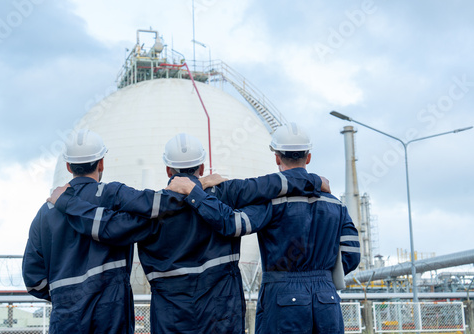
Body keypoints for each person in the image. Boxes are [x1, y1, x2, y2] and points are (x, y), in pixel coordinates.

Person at [48, 132, 328, 333]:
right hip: (223, 307)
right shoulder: (227, 194)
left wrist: (65, 202)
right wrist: (313, 179)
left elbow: (108, 227)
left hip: (171, 311)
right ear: (203, 167)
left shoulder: (150, 211)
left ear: (168, 168)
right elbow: (268, 185)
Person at [167, 122, 361, 333]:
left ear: (277, 157)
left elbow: (232, 224)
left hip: (283, 297)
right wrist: (320, 275)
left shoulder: (272, 202)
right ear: (309, 157)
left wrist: (196, 195)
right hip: (327, 299)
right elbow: (352, 255)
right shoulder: (336, 204)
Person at [22, 129, 186, 334]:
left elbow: (33, 280)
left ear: (67, 165)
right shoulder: (113, 195)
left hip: (66, 318)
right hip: (111, 313)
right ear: (101, 163)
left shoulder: (45, 213)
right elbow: (158, 206)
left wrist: (66, 295)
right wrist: (196, 189)